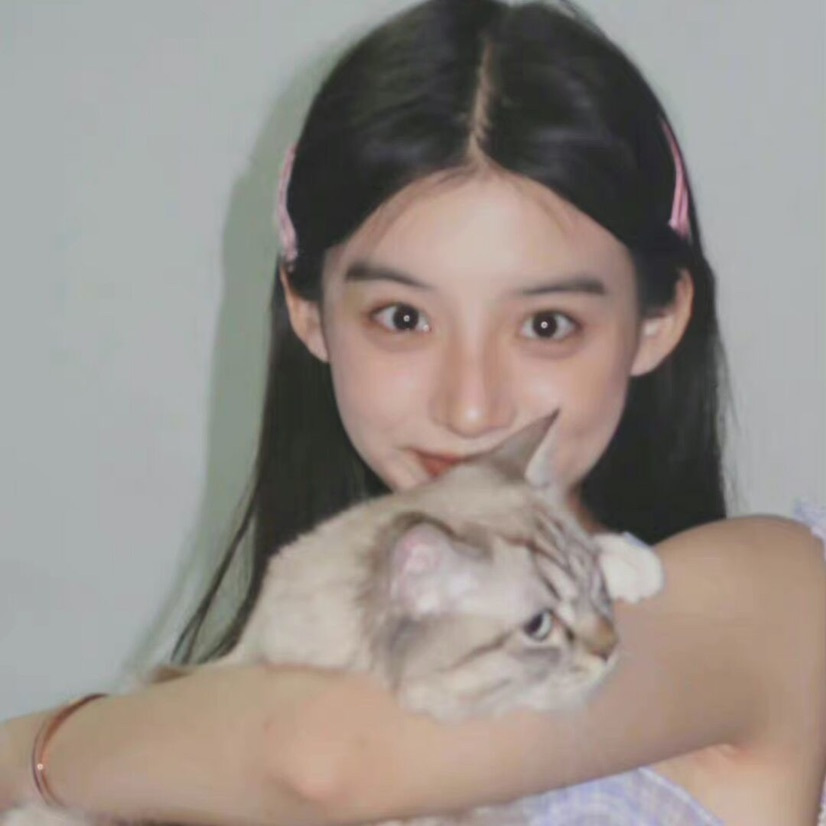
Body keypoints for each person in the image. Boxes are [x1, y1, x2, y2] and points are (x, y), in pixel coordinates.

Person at [2, 0, 824, 823]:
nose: (469, 406)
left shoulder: (771, 594)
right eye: (403, 318)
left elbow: (324, 761)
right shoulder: (233, 724)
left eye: (545, 325)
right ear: (310, 313)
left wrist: (35, 752)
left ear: (656, 322)